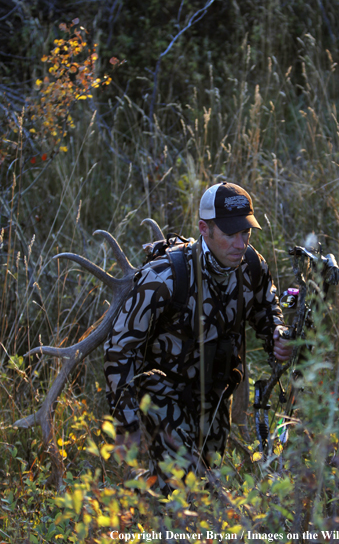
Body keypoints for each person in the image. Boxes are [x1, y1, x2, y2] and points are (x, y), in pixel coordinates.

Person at [104, 182, 292, 491]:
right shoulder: (164, 277)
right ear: (204, 228)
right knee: (182, 488)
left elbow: (266, 309)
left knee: (207, 491)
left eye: (245, 232)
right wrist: (127, 424)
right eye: (230, 233)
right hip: (163, 395)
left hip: (215, 396)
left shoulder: (252, 266)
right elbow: (119, 350)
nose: (240, 242)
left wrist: (278, 335)